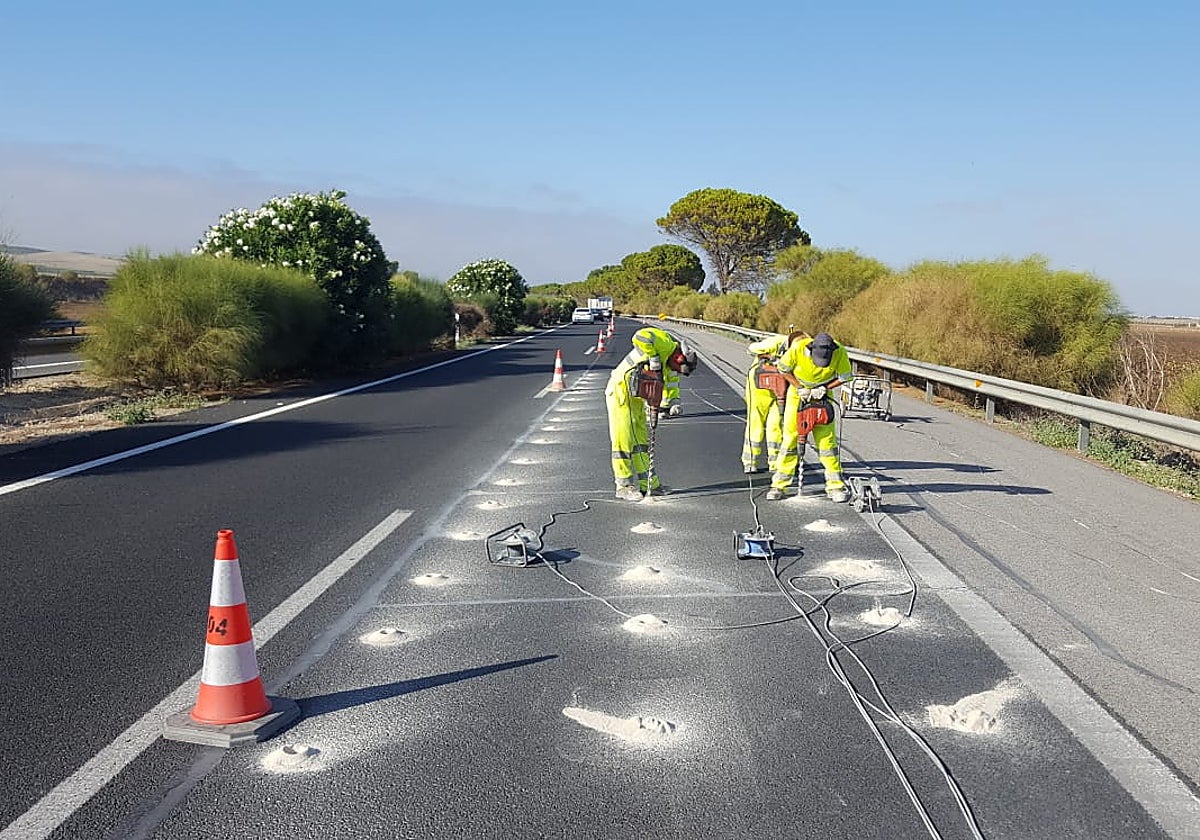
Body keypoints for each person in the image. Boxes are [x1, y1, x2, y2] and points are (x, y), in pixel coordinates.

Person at [605, 326, 698, 500]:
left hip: (637, 397)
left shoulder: (670, 365)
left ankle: (649, 484)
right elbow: (639, 336)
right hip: (621, 391)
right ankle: (623, 486)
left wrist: (673, 403)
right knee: (623, 440)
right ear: (679, 358)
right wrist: (653, 357)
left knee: (641, 442)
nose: (675, 372)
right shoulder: (663, 344)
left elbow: (671, 385)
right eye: (678, 369)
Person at [767, 331, 853, 502]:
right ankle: (779, 485)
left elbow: (845, 376)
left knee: (827, 443)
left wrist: (824, 388)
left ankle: (835, 486)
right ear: (811, 350)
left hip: (823, 394)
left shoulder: (840, 351)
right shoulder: (798, 348)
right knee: (790, 439)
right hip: (798, 394)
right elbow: (783, 369)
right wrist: (800, 387)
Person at [741, 334, 790, 474]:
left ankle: (775, 462)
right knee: (756, 423)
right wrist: (770, 356)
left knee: (776, 425)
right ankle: (750, 460)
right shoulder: (775, 342)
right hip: (758, 387)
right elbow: (751, 349)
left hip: (780, 388)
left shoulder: (799, 350)